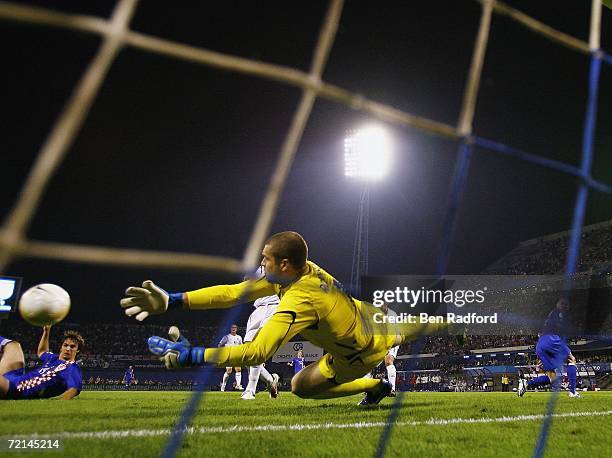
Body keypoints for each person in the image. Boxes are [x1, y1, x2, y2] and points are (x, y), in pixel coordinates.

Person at [121, 231, 445, 405]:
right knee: (431, 323)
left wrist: (193, 355)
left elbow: (256, 352)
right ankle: (470, 315)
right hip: (370, 315)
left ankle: (375, 384)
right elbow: (234, 293)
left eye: (266, 259)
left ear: (285, 265)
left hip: (361, 353)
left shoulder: (299, 300)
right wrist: (174, 300)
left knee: (300, 386)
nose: (262, 265)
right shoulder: (296, 271)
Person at [0, 326, 83, 400]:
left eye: (72, 346)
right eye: (65, 345)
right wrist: (46, 331)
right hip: (16, 377)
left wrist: (60, 403)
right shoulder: (54, 358)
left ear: (78, 350)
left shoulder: (72, 367)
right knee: (13, 345)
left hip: (18, 389)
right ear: (61, 347)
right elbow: (42, 352)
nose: (68, 348)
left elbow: (74, 389)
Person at [517, 297, 579, 397]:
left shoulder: (549, 316)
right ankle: (573, 392)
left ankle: (526, 384)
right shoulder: (558, 313)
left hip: (540, 344)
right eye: (562, 303)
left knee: (554, 379)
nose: (565, 306)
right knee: (572, 360)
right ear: (557, 304)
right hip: (552, 339)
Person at [241, 276, 280, 400]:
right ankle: (270, 380)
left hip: (275, 307)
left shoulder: (286, 265)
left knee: (258, 346)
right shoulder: (259, 270)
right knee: (247, 354)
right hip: (258, 309)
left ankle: (250, 390)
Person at [218, 325, 244, 391]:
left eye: (235, 328)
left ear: (237, 329)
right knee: (229, 371)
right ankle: (223, 385)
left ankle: (238, 385)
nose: (233, 329)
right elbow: (219, 344)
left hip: (236, 355)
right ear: (230, 329)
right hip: (228, 355)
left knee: (238, 369)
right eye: (232, 327)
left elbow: (241, 347)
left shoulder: (239, 337)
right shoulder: (226, 337)